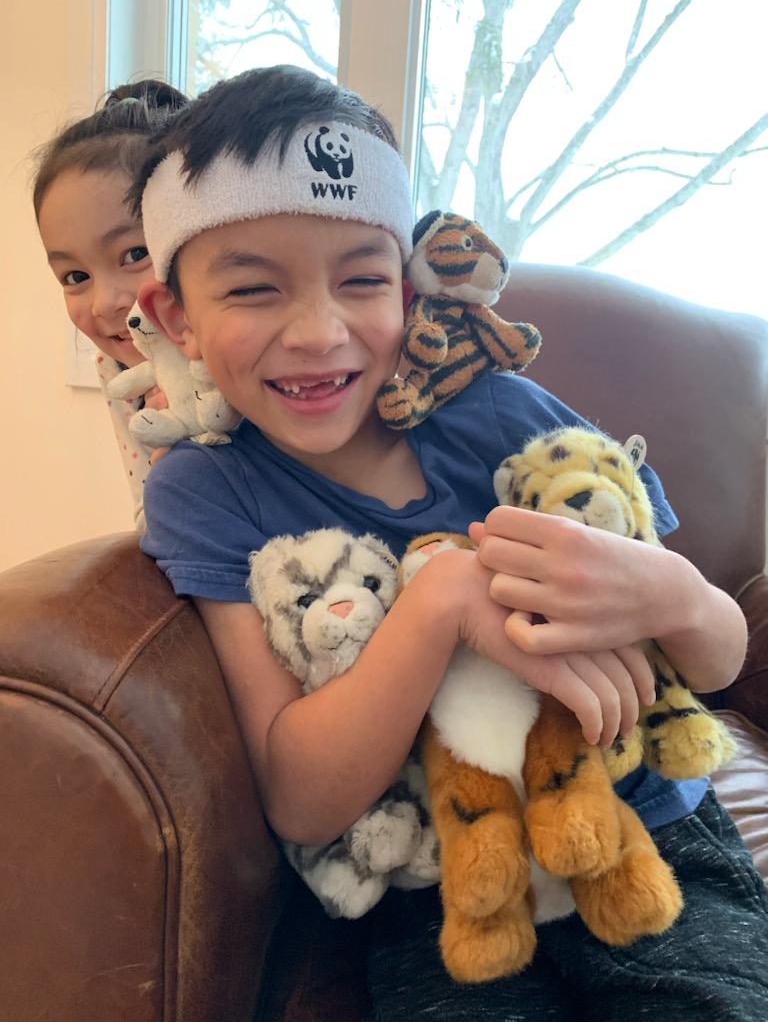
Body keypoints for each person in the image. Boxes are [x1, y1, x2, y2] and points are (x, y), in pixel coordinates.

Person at [133, 65, 767, 1021]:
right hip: (445, 876)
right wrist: (440, 602)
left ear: (412, 285)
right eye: (254, 289)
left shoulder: (505, 415)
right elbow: (302, 802)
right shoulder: (207, 491)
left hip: (648, 828)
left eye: (363, 280)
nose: (319, 331)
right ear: (176, 313)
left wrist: (679, 599)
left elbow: (716, 657)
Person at [33, 79, 188, 526]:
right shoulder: (119, 369)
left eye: (135, 254)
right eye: (76, 276)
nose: (104, 303)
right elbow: (146, 511)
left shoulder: (253, 352)